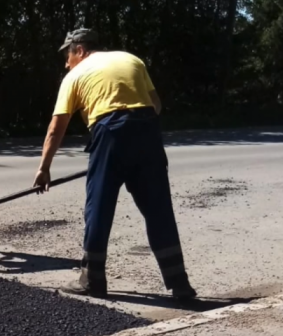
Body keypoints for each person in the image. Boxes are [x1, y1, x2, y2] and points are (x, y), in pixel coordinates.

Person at [32, 28, 197, 299]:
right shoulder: (131, 59)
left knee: (98, 207)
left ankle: (92, 280)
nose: (66, 62)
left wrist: (44, 168)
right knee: (158, 209)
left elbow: (56, 127)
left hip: (109, 131)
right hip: (147, 131)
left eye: (67, 55)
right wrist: (135, 136)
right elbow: (155, 104)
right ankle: (180, 283)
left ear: (80, 50)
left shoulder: (75, 75)